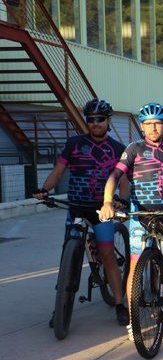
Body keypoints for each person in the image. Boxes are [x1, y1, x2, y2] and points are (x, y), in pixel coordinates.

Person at [34, 99, 128, 326]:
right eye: (91, 119)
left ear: (108, 121)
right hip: (76, 207)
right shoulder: (74, 143)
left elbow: (124, 181)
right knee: (68, 255)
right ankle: (61, 306)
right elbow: (58, 171)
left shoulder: (117, 149)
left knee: (107, 256)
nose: (95, 123)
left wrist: (121, 200)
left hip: (101, 210)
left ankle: (119, 304)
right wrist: (45, 189)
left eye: (100, 119)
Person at [99, 102, 163, 331]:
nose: (153, 128)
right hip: (140, 216)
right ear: (142, 126)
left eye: (158, 123)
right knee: (135, 266)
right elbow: (115, 175)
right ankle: (133, 321)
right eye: (148, 124)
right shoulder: (133, 148)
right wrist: (108, 201)